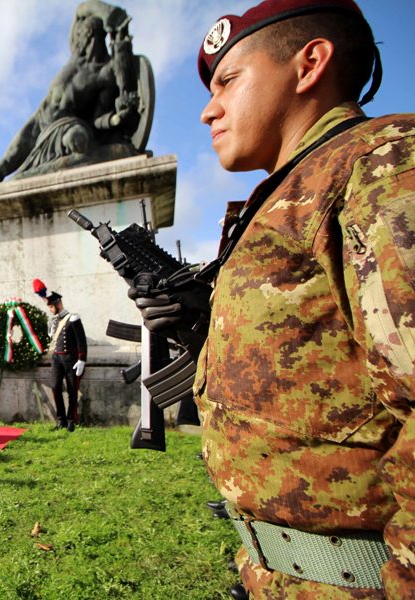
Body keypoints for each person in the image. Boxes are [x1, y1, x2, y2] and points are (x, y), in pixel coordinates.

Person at [131, 1, 413, 597]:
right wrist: (202, 329)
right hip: (273, 572)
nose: (209, 109)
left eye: (228, 80)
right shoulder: (291, 192)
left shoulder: (383, 163)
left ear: (309, 64)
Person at [0, 1, 141, 185]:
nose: (79, 38)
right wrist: (108, 12)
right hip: (39, 122)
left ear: (92, 36)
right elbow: (82, 9)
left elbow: (98, 119)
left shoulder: (105, 73)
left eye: (85, 34)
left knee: (77, 139)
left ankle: (30, 179)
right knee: (2, 165)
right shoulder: (76, 55)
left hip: (69, 127)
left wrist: (120, 35)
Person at [33, 279, 87, 432]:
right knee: (55, 387)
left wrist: (82, 359)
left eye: (51, 306)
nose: (50, 309)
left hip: (71, 358)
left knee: (72, 390)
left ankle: (71, 420)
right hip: (56, 358)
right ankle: (61, 419)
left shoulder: (73, 318)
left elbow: (81, 341)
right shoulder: (54, 321)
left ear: (58, 303)